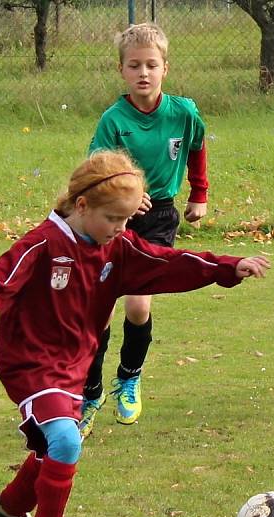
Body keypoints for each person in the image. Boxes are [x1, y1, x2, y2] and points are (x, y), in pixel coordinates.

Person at [0, 151, 270, 517]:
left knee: (55, 447)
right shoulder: (43, 243)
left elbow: (168, 262)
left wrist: (229, 267)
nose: (121, 229)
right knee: (66, 441)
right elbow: (1, 274)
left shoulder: (116, 248)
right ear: (81, 206)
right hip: (30, 362)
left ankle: (8, 508)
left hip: (75, 365)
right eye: (113, 219)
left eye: (125, 221)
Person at [80, 22, 211, 436]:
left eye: (151, 65)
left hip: (159, 217)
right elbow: (97, 171)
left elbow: (197, 147)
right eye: (134, 65)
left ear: (165, 68)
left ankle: (129, 378)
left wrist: (200, 193)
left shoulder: (184, 113)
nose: (143, 73)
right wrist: (125, 194)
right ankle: (89, 391)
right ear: (122, 70)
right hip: (113, 220)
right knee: (98, 311)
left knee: (138, 305)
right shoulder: (113, 120)